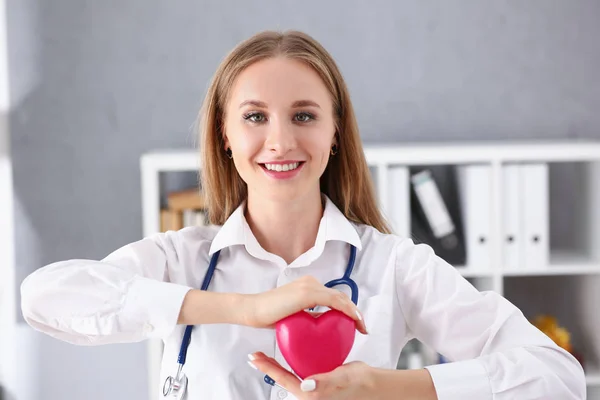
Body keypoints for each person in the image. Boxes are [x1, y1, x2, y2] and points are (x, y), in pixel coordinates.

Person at [20, 30, 586, 400]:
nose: (281, 140)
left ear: (336, 133)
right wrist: (245, 308)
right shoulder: (180, 259)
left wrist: (387, 387)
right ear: (224, 134)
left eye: (305, 115)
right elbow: (44, 297)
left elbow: (556, 376)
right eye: (255, 116)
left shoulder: (394, 266)